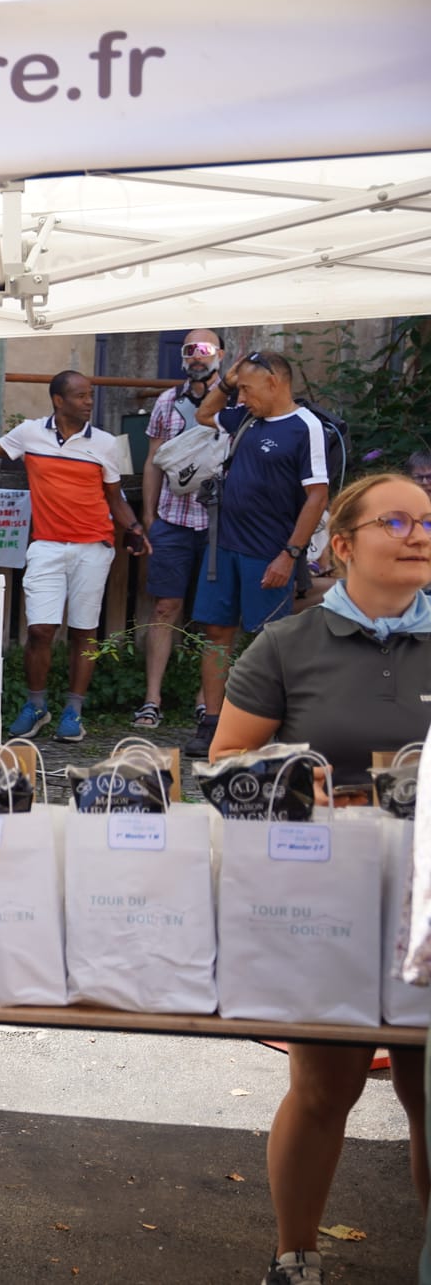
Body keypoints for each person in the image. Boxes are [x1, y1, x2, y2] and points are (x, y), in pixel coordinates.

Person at [206, 472, 431, 1285]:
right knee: (324, 1088)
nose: (418, 534)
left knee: (429, 1095)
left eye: (428, 520)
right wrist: (313, 787)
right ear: (343, 545)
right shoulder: (288, 644)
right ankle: (294, 1256)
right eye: (396, 520)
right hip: (324, 900)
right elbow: (228, 765)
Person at [0, 372, 148, 743]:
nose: (88, 402)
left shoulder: (104, 444)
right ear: (58, 400)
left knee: (85, 631)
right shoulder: (30, 434)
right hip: (46, 545)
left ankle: (73, 711)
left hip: (93, 547)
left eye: (90, 395)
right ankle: (37, 706)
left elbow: (115, 498)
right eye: (81, 396)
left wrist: (135, 528)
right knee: (39, 631)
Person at [186, 350, 332, 758]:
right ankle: (212, 723)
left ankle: (265, 725)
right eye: (240, 390)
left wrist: (289, 555)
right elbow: (204, 415)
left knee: (268, 641)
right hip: (223, 547)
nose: (242, 397)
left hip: (267, 552)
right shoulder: (247, 417)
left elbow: (317, 495)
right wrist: (229, 384)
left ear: (275, 383)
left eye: (249, 389)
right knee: (216, 633)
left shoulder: (305, 427)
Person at [134, 327, 222, 731]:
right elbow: (153, 459)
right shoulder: (168, 401)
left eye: (204, 349)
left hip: (221, 522)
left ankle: (207, 700)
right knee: (164, 608)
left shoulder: (236, 401)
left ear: (220, 354)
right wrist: (150, 516)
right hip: (173, 518)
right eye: (190, 350)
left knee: (214, 615)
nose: (196, 356)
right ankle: (152, 698)